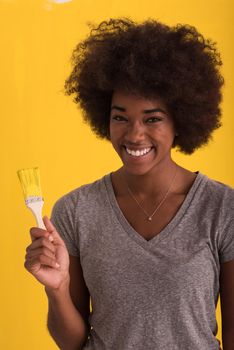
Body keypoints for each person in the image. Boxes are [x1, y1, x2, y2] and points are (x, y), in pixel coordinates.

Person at [24, 18, 234, 350]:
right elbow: (73, 343)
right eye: (120, 117)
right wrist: (57, 288)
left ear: (180, 119)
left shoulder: (222, 208)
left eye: (153, 118)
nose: (134, 134)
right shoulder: (76, 211)